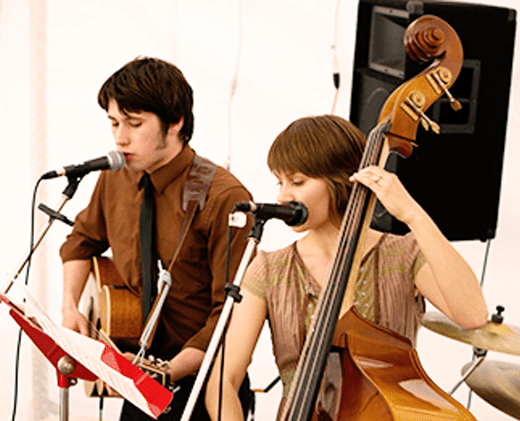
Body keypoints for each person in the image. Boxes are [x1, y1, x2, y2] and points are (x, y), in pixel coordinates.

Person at [205, 114, 488, 420]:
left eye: (297, 182)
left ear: (340, 180)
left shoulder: (402, 255)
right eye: (280, 182)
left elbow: (471, 314)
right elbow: (223, 382)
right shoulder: (270, 270)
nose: (283, 196)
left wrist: (413, 215)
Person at [60, 57, 254, 421]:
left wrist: (167, 372)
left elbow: (230, 314)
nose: (120, 137)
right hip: (139, 380)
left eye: (134, 124)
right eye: (114, 123)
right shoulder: (115, 177)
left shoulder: (223, 198)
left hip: (203, 385)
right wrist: (70, 306)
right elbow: (81, 241)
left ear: (175, 122)